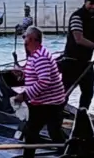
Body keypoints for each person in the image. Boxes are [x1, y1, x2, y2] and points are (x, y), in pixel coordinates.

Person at [15, 27, 66, 158]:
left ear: (31, 39)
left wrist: (24, 95)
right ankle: (66, 152)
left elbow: (44, 81)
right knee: (53, 131)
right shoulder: (36, 54)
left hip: (48, 103)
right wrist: (23, 74)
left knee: (32, 132)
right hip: (48, 101)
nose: (23, 40)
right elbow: (37, 75)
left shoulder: (40, 57)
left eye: (24, 37)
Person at [58, 0, 94, 110]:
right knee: (65, 92)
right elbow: (79, 39)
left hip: (86, 62)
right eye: (91, 4)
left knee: (88, 92)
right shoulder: (77, 17)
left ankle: (82, 115)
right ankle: (56, 117)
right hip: (71, 62)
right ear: (85, 2)